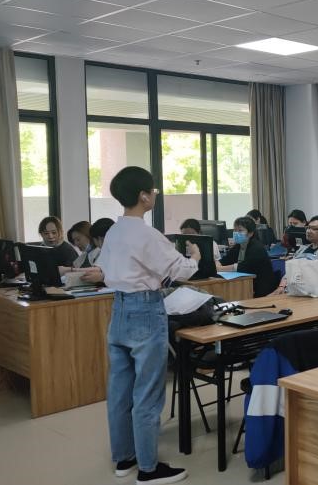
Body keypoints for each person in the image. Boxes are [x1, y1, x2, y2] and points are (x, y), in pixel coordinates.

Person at [97, 166, 198, 484]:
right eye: (152, 190)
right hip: (145, 310)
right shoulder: (146, 233)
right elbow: (181, 270)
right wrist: (195, 256)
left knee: (120, 391)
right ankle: (149, 469)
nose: (154, 194)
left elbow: (106, 269)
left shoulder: (114, 231)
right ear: (143, 196)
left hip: (119, 309)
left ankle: (124, 459)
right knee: (148, 393)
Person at [271, 216, 318, 295]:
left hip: (314, 293)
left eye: (314, 229)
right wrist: (281, 286)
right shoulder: (302, 249)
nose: (308, 231)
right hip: (293, 291)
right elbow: (291, 271)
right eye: (308, 228)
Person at [216, 216, 278, 298]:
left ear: (250, 233)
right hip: (245, 284)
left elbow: (243, 267)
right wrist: (217, 264)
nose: (236, 233)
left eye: (240, 230)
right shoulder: (238, 246)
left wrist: (220, 268)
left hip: (261, 289)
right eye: (235, 230)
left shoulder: (257, 248)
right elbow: (224, 260)